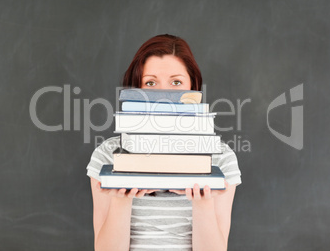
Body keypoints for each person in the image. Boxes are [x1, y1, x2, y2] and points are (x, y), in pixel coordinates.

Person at [86, 34, 242, 251]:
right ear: (135, 91)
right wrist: (121, 201)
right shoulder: (108, 157)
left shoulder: (220, 159)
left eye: (176, 82)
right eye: (150, 83)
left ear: (193, 89)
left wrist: (202, 203)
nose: (163, 96)